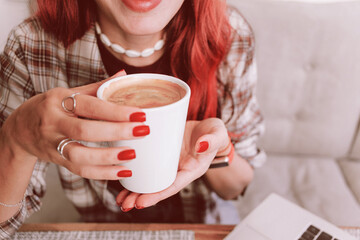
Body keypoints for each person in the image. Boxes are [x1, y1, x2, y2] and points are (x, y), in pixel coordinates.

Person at [0, 0, 265, 237]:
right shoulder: (31, 45)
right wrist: (16, 140)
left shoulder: (229, 34)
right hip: (101, 229)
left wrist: (217, 150)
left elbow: (235, 189)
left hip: (205, 225)